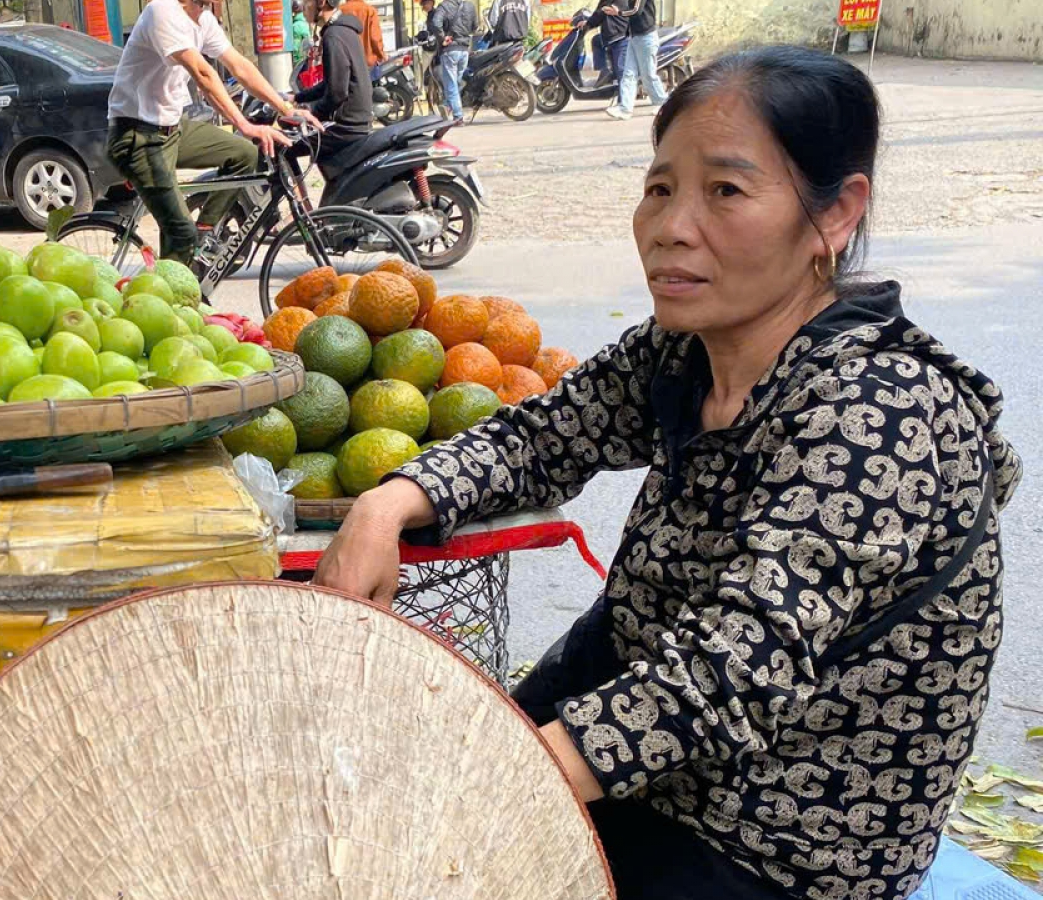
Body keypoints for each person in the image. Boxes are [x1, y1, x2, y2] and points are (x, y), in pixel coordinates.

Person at [313, 46, 1020, 900]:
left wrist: (509, 781)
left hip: (783, 833)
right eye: (659, 188)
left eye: (725, 190)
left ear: (836, 215)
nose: (671, 227)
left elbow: (736, 666)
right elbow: (546, 435)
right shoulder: (683, 349)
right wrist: (387, 504)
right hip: (645, 726)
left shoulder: (882, 411)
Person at [107, 0, 318, 265]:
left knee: (245, 154)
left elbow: (239, 67)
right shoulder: (162, 10)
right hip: (137, 136)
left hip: (173, 129)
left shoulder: (203, 20)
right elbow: (202, 73)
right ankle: (169, 301)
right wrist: (245, 124)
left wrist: (287, 108)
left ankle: (205, 231)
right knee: (181, 234)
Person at [293, 0, 373, 174]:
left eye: (307, 2)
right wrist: (298, 98)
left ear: (321, 3)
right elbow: (331, 82)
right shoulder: (344, 31)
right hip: (357, 121)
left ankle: (301, 202)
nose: (304, 6)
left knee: (285, 147)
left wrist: (312, 113)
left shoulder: (333, 36)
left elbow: (337, 93)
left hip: (345, 127)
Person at [607, 0, 670, 120]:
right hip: (634, 38)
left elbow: (636, 11)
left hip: (646, 38)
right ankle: (625, 109)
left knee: (648, 75)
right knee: (628, 74)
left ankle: (663, 104)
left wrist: (618, 13)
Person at [432, 0, 478, 122]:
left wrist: (442, 38)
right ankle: (447, 106)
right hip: (464, 50)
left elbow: (436, 23)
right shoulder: (470, 6)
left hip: (450, 50)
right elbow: (475, 27)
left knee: (451, 84)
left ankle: (458, 116)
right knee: (455, 83)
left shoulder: (444, 6)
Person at [582, 3, 628, 93]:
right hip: (614, 32)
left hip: (619, 35)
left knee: (620, 71)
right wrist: (588, 22)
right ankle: (604, 70)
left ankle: (622, 102)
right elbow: (601, 13)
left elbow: (601, 12)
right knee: (596, 40)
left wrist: (588, 24)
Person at [340, 0, 385, 75]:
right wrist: (381, 55)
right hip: (366, 63)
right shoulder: (370, 10)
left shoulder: (339, 10)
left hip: (346, 64)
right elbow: (375, 38)